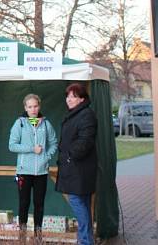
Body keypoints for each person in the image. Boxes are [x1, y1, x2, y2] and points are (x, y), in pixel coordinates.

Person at [9, 93, 58, 244]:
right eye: (30, 106)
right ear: (25, 108)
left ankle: (38, 237)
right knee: (23, 204)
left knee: (39, 205)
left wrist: (46, 157)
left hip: (41, 172)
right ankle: (22, 237)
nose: (33, 109)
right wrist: (32, 148)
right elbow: (12, 146)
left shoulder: (45, 124)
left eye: (35, 106)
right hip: (24, 172)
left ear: (39, 106)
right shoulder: (20, 123)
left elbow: (54, 143)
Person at [56, 83, 98, 245]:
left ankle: (86, 241)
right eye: (68, 96)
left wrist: (70, 156)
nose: (69, 99)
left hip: (80, 168)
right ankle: (85, 240)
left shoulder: (86, 114)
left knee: (77, 201)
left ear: (82, 99)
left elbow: (85, 140)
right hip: (74, 167)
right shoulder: (75, 114)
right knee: (83, 203)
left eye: (73, 96)